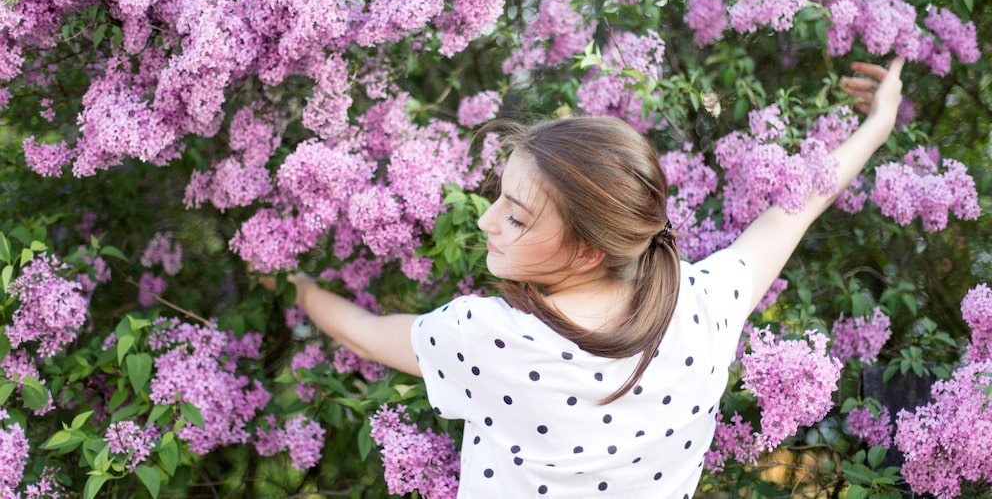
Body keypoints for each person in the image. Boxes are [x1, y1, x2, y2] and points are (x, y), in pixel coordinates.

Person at [260, 58, 904, 497]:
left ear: (590, 251)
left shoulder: (490, 338)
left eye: (514, 215)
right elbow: (796, 207)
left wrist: (298, 286)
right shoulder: (707, 302)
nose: (486, 221)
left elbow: (370, 334)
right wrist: (877, 124)